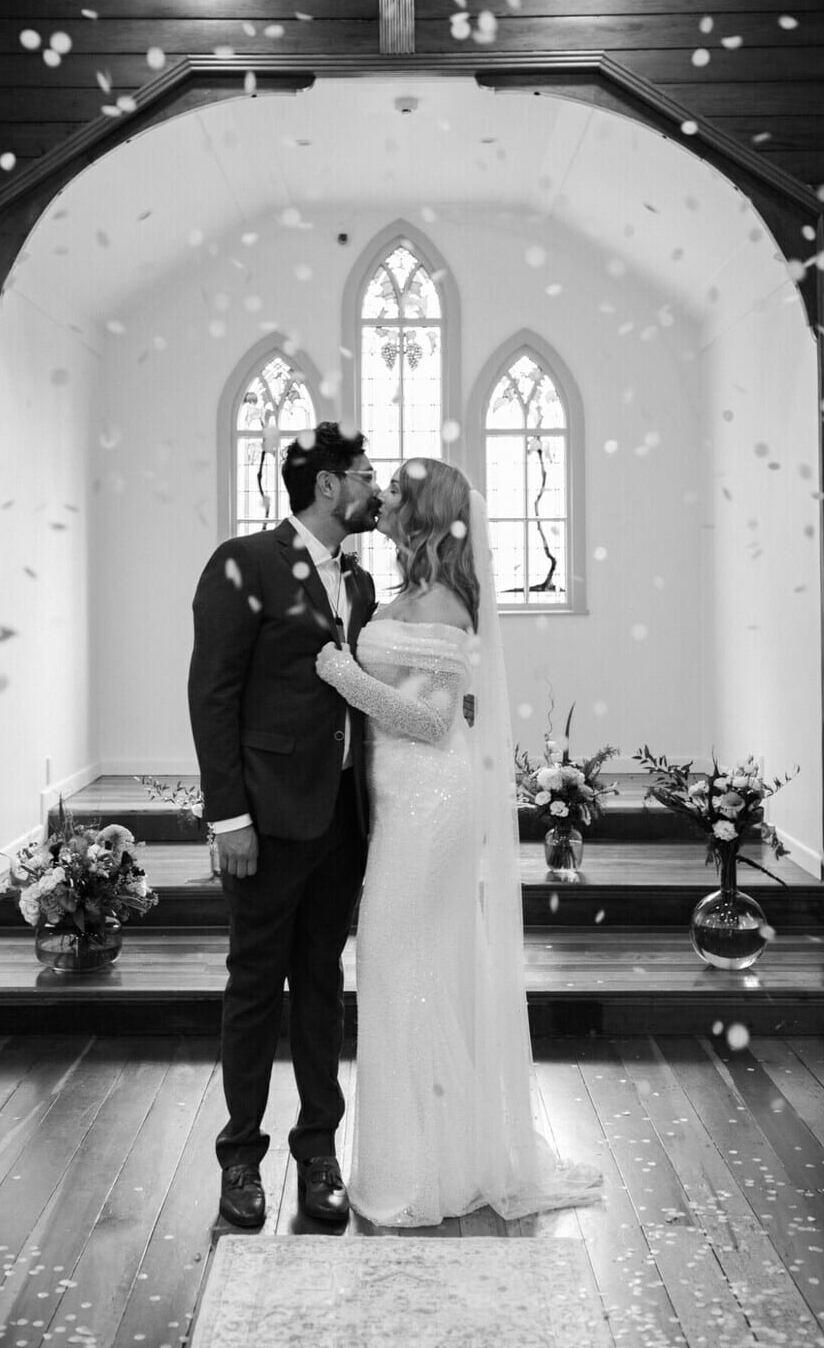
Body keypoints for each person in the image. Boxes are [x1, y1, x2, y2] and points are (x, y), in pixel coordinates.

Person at [316, 458, 603, 1225]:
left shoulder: (444, 601)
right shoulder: (407, 591)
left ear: (426, 514)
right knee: (414, 963)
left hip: (431, 799)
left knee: (393, 954)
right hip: (398, 795)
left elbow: (433, 719)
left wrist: (342, 674)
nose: (385, 498)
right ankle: (431, 1154)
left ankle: (419, 1171)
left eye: (400, 492)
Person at [188, 422, 380, 1228]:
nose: (378, 488)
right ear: (328, 485)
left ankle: (318, 1151)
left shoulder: (363, 584)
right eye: (366, 473)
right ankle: (240, 1158)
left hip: (342, 816)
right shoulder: (245, 563)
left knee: (324, 988)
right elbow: (212, 694)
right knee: (255, 987)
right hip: (264, 818)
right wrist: (229, 816)